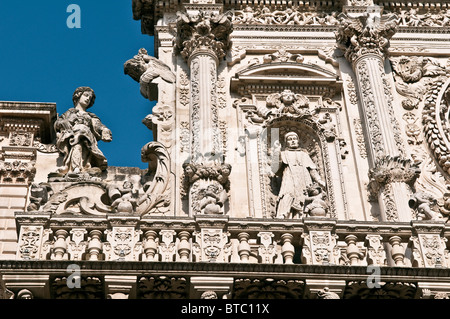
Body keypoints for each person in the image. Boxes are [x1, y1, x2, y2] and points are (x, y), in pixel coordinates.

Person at [54, 87, 112, 175]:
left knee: (81, 136)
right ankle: (76, 167)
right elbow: (58, 124)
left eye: (90, 97)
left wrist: (104, 130)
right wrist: (65, 122)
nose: (88, 98)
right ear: (78, 96)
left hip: (87, 138)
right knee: (78, 140)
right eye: (86, 95)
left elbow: (98, 126)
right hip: (73, 136)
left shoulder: (91, 116)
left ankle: (80, 167)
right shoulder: (70, 112)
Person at [274, 131, 325, 218]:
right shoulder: (283, 154)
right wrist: (277, 152)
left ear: (298, 141)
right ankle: (283, 214)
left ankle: (302, 216)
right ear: (286, 143)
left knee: (303, 195)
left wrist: (319, 180)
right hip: (289, 176)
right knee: (287, 193)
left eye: (294, 139)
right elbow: (275, 168)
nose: (293, 141)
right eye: (290, 139)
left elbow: (312, 169)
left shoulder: (304, 154)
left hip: (304, 177)